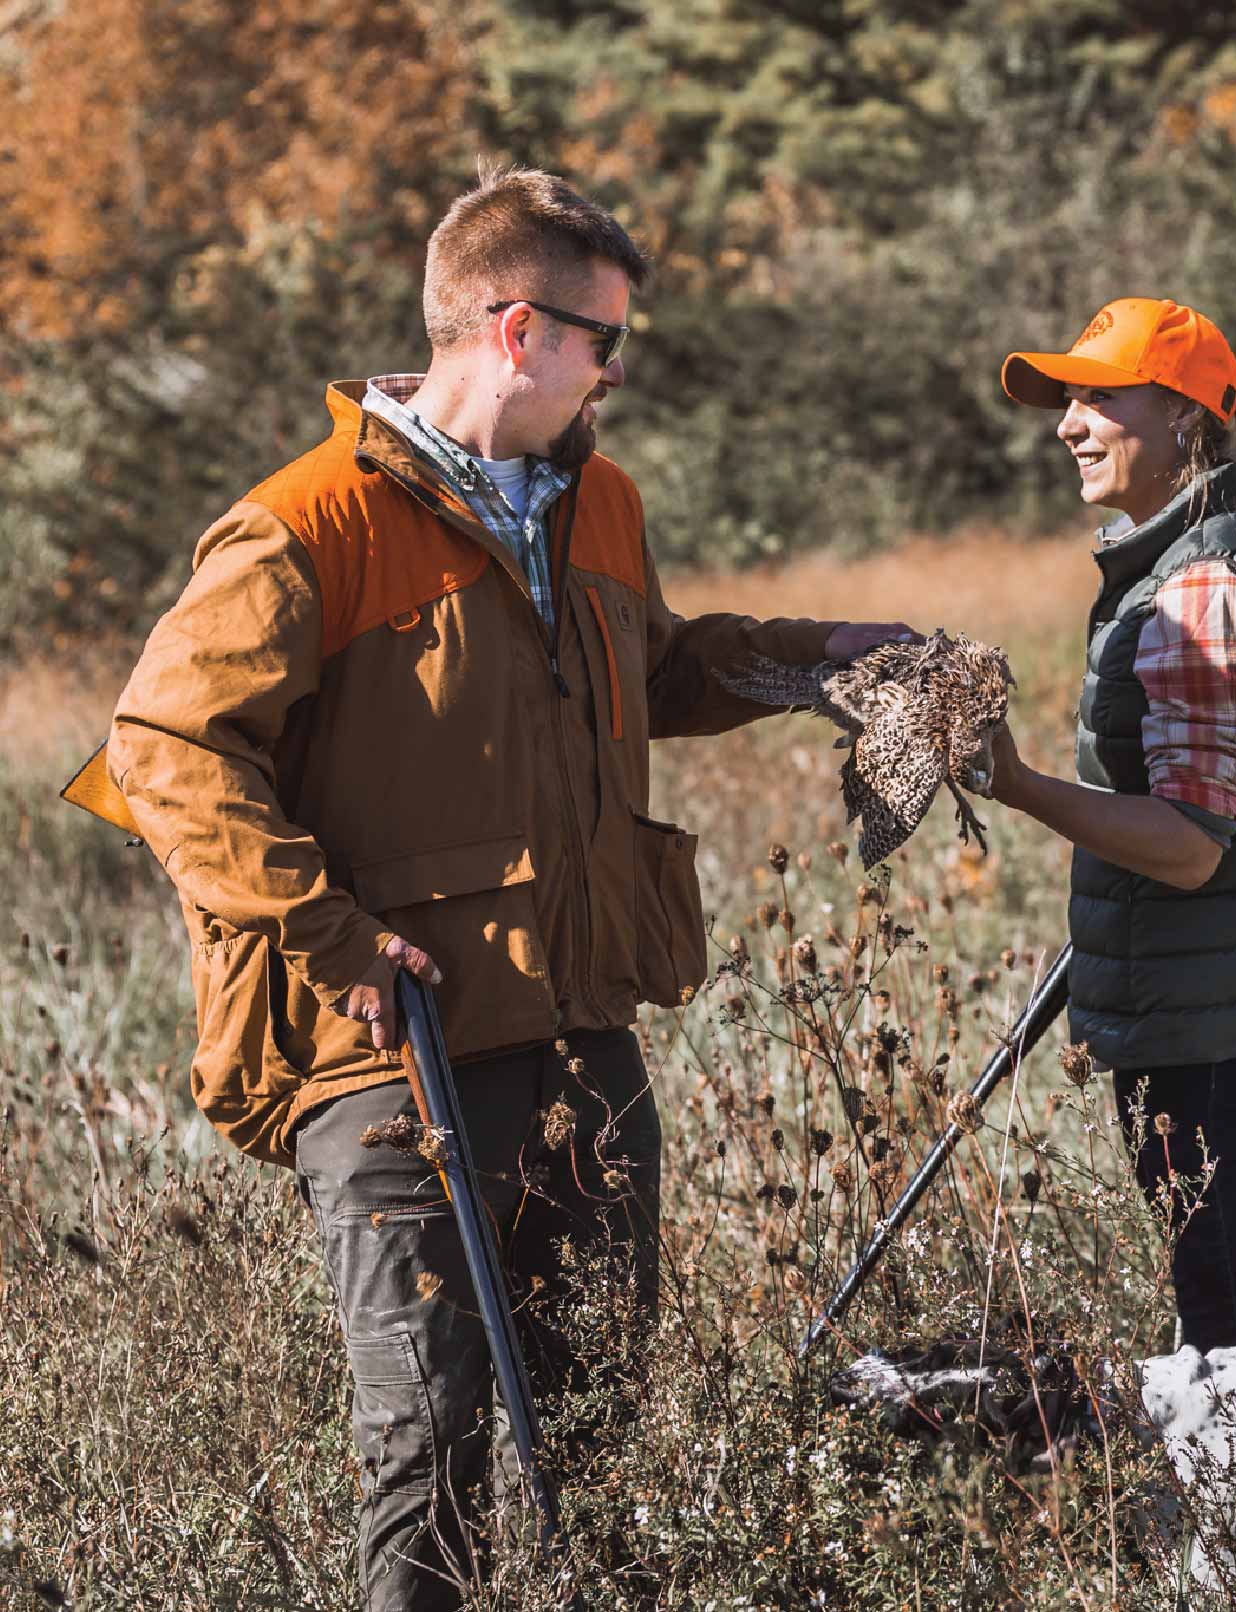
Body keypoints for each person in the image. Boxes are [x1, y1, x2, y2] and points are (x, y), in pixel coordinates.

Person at [106, 165, 912, 1609]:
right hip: (390, 1049)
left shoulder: (599, 504)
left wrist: (825, 657)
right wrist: (327, 931)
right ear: (517, 329)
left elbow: (653, 670)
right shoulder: (308, 526)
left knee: (598, 1417)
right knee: (429, 1441)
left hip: (580, 1031)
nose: (617, 375)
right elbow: (163, 747)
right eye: (609, 342)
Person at [986, 297, 1236, 1354]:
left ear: (1188, 418)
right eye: (1067, 396)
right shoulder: (1205, 558)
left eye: (1099, 394)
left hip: (1216, 1032)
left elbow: (1192, 846)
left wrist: (1011, 780)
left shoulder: (1201, 587)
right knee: (1228, 1325)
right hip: (1209, 1013)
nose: (1068, 421)